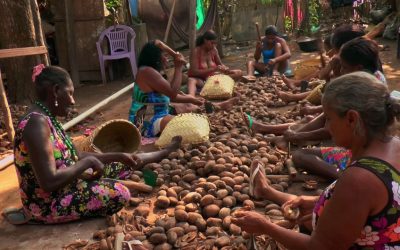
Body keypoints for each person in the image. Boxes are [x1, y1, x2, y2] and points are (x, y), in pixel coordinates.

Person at [233, 72, 400, 249]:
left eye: (328, 118)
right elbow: (376, 207)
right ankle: (266, 191)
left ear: (351, 119)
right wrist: (318, 202)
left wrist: (266, 227)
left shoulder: (359, 180)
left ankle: (265, 192)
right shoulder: (393, 146)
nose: (327, 127)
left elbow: (320, 247)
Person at [8, 65, 182, 224]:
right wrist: (87, 164)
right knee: (120, 193)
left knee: (123, 163)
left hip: (69, 181)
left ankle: (164, 152)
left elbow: (75, 155)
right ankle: (36, 218)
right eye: (70, 93)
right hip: (49, 203)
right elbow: (48, 182)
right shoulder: (35, 125)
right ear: (55, 91)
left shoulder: (47, 117)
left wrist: (118, 156)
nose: (73, 101)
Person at [129, 40, 239, 138]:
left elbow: (158, 43)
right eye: (164, 55)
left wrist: (191, 99)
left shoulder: (148, 70)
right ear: (155, 57)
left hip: (161, 111)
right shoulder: (147, 72)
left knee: (188, 104)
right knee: (186, 123)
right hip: (147, 121)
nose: (167, 58)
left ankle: (216, 106)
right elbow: (172, 93)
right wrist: (178, 67)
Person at [187, 30, 242, 96]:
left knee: (238, 72)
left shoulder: (214, 50)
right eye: (212, 43)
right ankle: (191, 97)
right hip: (202, 81)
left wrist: (226, 69)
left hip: (214, 79)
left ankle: (214, 88)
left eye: (215, 43)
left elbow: (220, 64)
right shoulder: (196, 52)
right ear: (205, 41)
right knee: (191, 80)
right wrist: (213, 69)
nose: (214, 45)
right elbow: (193, 72)